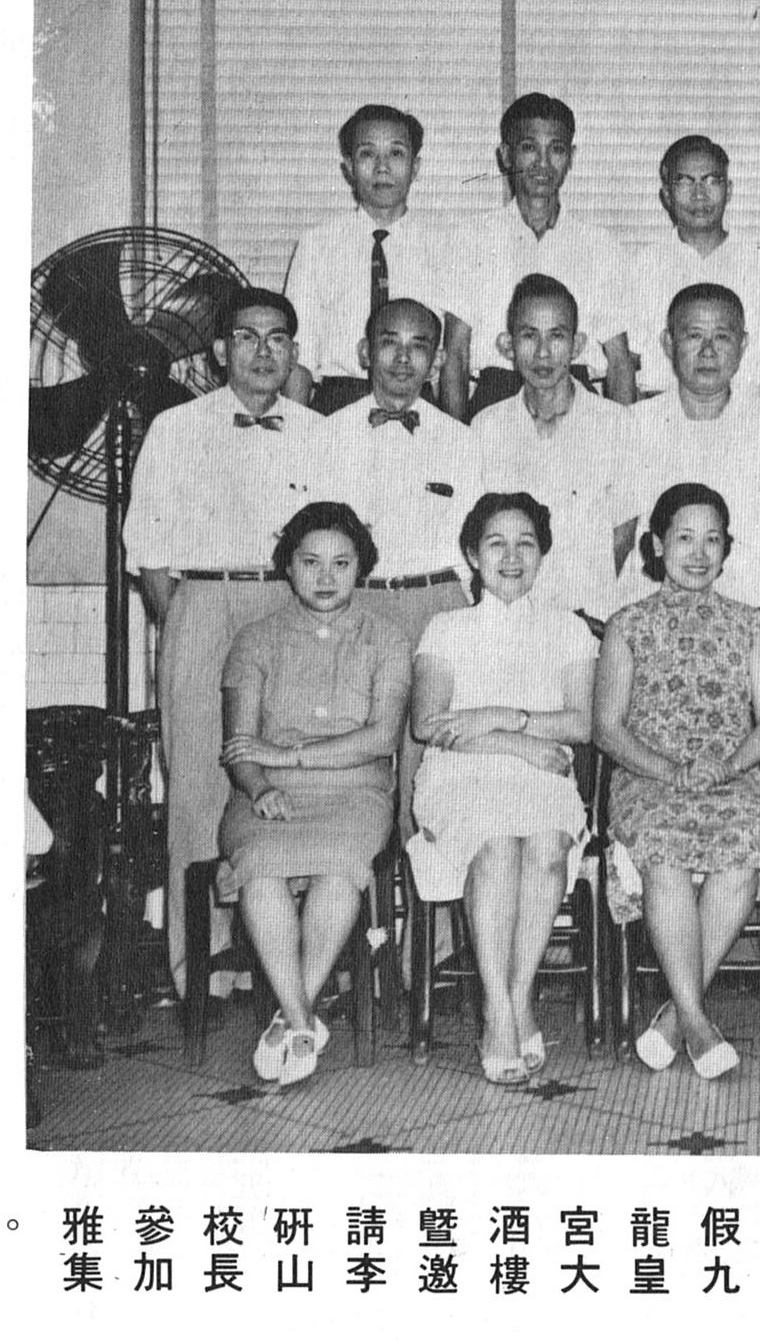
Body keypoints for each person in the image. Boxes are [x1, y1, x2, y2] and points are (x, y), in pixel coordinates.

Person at [123, 286, 337, 999]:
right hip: (202, 601)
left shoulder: (319, 434)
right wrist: (188, 620)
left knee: (287, 776)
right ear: (220, 350)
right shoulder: (175, 429)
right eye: (247, 337)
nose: (263, 351)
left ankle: (287, 964)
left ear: (295, 352)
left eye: (278, 338)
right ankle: (200, 966)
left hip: (288, 608)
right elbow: (149, 550)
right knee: (197, 781)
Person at [593, 484, 760, 1080]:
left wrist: (727, 766)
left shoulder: (749, 625)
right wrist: (670, 771)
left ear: (727, 549)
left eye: (712, 540)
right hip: (649, 778)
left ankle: (678, 1018)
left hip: (730, 778)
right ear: (657, 545)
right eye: (684, 538)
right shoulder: (627, 625)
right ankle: (698, 1024)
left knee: (743, 845)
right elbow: (607, 728)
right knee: (665, 852)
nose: (699, 553)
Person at [216, 502, 411, 1086]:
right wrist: (261, 785)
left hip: (357, 794)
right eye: (311, 562)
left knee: (338, 865)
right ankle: (301, 1019)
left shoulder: (386, 638)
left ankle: (289, 1019)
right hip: (268, 795)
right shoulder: (255, 639)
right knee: (260, 867)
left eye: (341, 563)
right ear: (288, 566)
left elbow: (381, 739)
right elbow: (240, 749)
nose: (326, 577)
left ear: (362, 568)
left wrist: (288, 754)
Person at [408, 493, 597, 1084]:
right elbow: (430, 725)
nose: (511, 558)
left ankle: (518, 996)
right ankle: (497, 1007)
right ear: (473, 554)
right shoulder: (447, 627)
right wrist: (518, 743)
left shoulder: (567, 628)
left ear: (542, 554)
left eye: (525, 544)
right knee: (494, 845)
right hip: (460, 773)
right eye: (496, 544)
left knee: (545, 846)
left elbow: (582, 724)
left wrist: (498, 717)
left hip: (544, 774)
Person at [317, 297, 481, 830]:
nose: (404, 359)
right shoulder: (326, 436)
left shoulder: (463, 443)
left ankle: (421, 880)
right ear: (365, 352)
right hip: (356, 606)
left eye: (419, 346)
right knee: (353, 753)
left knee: (429, 767)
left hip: (436, 606)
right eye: (390, 343)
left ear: (438, 361)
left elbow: (477, 547)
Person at [621, 284, 760, 621]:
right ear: (668, 343)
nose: (708, 351)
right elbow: (619, 540)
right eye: (694, 336)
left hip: (756, 621)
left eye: (722, 337)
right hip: (655, 623)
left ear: (743, 345)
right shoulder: (635, 425)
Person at [441, 93, 635, 417]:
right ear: (506, 155)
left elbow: (619, 361)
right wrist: (455, 438)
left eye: (556, 149)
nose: (543, 163)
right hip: (496, 398)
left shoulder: (600, 246)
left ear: (571, 157)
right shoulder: (470, 239)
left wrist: (622, 437)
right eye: (529, 147)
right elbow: (456, 355)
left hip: (576, 400)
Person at [472, 273, 642, 628]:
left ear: (578, 345)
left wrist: (582, 608)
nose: (543, 352)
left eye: (557, 336)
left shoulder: (616, 424)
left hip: (589, 616)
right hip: (510, 615)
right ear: (508, 345)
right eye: (529, 335)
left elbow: (624, 532)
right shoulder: (487, 426)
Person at [283, 104, 447, 415]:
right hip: (339, 401)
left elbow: (448, 363)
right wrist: (295, 432)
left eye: (396, 153)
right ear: (349, 167)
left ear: (415, 167)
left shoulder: (444, 247)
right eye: (367, 154)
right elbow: (299, 360)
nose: (382, 167)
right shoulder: (317, 244)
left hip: (417, 404)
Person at [627, 135, 760, 398]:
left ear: (729, 190)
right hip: (662, 415)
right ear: (667, 195)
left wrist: (752, 419)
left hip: (746, 413)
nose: (699, 195)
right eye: (685, 182)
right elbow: (629, 361)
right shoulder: (642, 266)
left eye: (712, 181)